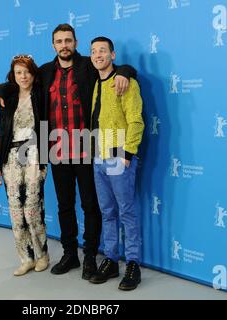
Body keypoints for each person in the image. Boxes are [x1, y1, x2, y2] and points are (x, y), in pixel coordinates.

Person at [0, 24, 136, 281]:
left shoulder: (89, 65)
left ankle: (90, 256)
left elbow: (116, 69)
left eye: (68, 40)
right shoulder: (45, 72)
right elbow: (17, 83)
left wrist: (125, 71)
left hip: (87, 145)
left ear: (75, 43)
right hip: (56, 147)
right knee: (64, 204)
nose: (64, 45)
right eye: (59, 41)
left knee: (91, 205)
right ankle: (70, 254)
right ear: (53, 45)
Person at [88, 37, 145, 291]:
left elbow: (136, 120)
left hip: (118, 157)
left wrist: (127, 153)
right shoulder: (95, 84)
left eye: (102, 50)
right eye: (93, 51)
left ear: (112, 54)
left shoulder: (125, 82)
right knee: (107, 212)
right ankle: (111, 259)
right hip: (98, 158)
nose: (98, 54)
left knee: (126, 212)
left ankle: (133, 263)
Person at [0, 55, 49, 276]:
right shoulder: (8, 97)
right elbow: (2, 134)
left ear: (34, 74)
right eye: (18, 73)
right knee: (16, 211)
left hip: (34, 152)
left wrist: (43, 161)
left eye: (26, 72)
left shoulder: (41, 93)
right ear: (13, 76)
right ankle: (26, 258)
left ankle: (42, 255)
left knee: (32, 208)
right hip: (10, 158)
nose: (23, 76)